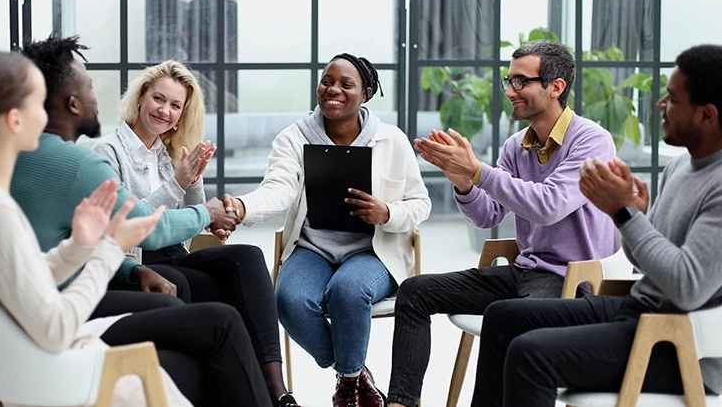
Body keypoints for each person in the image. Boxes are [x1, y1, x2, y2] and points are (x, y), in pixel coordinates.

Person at [0, 50, 274, 406]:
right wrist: (108, 250)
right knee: (216, 333)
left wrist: (80, 245)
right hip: (51, 366)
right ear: (15, 118)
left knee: (211, 319)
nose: (43, 112)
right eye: (36, 102)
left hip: (9, 356)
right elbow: (54, 325)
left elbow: (25, 273)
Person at [470, 43, 722, 407]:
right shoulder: (680, 167)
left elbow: (686, 287)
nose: (660, 105)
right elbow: (643, 262)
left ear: (708, 115)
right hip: (640, 310)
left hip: (681, 343)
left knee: (530, 354)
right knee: (502, 317)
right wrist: (634, 215)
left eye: (673, 98)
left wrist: (623, 214)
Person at [386, 39, 618, 407]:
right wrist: (462, 179)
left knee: (503, 318)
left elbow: (549, 206)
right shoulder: (516, 145)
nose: (510, 91)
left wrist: (478, 171)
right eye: (508, 81)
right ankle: (400, 403)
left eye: (521, 82)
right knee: (415, 292)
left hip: (571, 279)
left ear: (555, 87)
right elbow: (486, 216)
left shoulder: (592, 141)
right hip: (524, 271)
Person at [222, 53, 431, 407]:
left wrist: (386, 213)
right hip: (313, 249)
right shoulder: (294, 138)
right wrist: (242, 208)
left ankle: (347, 391)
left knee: (347, 292)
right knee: (288, 299)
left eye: (345, 84)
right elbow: (279, 189)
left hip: (373, 252)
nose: (333, 89)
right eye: (327, 81)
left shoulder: (391, 140)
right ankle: (353, 374)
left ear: (365, 93)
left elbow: (420, 204)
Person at [91, 60, 299, 407]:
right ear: (141, 97)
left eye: (176, 106)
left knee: (246, 258)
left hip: (175, 253)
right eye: (159, 99)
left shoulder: (167, 151)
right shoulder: (108, 151)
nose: (165, 111)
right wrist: (178, 183)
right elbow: (136, 225)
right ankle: (203, 391)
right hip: (138, 260)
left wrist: (200, 191)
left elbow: (194, 218)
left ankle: (276, 391)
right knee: (187, 284)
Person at [10, 35, 237, 317]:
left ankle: (264, 360)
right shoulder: (92, 159)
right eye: (90, 88)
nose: (97, 98)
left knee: (243, 262)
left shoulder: (22, 155)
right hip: (73, 301)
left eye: (176, 106)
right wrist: (203, 209)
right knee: (219, 314)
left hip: (90, 278)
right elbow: (143, 228)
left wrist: (193, 181)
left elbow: (77, 243)